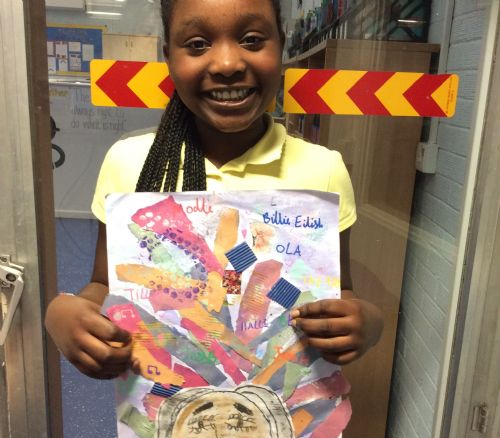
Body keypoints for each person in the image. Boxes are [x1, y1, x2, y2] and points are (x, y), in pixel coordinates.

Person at [45, 0, 383, 382]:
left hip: (279, 399)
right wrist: (65, 312)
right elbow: (104, 284)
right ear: (168, 57)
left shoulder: (322, 171)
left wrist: (367, 321)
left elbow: (339, 293)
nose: (226, 63)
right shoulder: (129, 163)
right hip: (172, 396)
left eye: (252, 40)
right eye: (197, 44)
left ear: (281, 46)